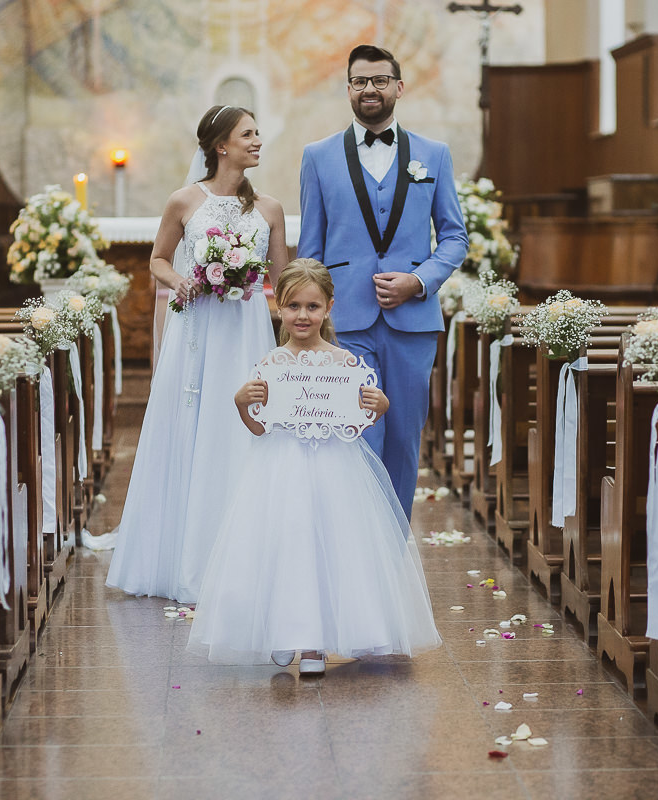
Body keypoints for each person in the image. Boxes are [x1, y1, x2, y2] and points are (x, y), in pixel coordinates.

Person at [186, 259, 441, 674]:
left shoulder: (344, 364)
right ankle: (283, 632)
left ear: (329, 308)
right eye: (293, 306)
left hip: (334, 468)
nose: (302, 316)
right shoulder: (271, 365)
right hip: (281, 467)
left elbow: (356, 423)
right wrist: (241, 403)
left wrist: (380, 406)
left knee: (329, 547)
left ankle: (314, 646)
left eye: (312, 306)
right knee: (286, 543)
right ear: (279, 306)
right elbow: (259, 428)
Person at [105, 104, 288, 603]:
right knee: (195, 423)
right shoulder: (184, 201)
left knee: (242, 424)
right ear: (220, 146)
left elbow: (282, 281)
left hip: (246, 328)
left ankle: (246, 557)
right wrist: (182, 280)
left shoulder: (269, 208)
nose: (258, 141)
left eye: (257, 133)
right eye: (248, 134)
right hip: (198, 328)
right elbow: (158, 259)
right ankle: (185, 558)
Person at [298, 44, 468, 520]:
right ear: (348, 89)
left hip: (413, 323)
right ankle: (359, 541)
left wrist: (418, 280)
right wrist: (308, 318)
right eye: (359, 81)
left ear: (399, 87)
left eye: (379, 80)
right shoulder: (318, 157)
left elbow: (454, 237)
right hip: (345, 322)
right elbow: (310, 249)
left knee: (404, 438)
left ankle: (394, 545)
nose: (369, 89)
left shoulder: (434, 155)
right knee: (357, 432)